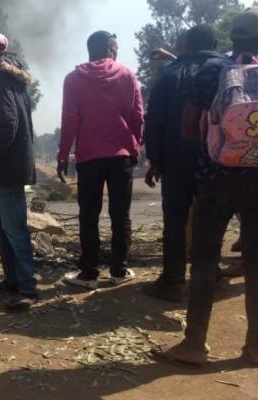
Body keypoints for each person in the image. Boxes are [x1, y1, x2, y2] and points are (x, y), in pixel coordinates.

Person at [153, 7, 258, 366]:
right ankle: (255, 347)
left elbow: (187, 128)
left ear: (234, 35)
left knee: (203, 260)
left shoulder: (214, 71)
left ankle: (194, 344)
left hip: (216, 177)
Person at [58, 31, 145, 290]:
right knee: (120, 215)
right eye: (115, 47)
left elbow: (69, 120)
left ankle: (88, 274)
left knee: (89, 215)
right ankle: (119, 270)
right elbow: (138, 116)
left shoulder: (73, 79)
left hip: (89, 158)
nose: (117, 52)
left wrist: (63, 155)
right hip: (120, 158)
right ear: (108, 48)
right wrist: (135, 146)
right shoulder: (127, 75)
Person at [143, 25, 221, 301]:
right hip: (219, 160)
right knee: (210, 219)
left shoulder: (169, 73)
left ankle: (173, 280)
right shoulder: (228, 69)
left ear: (187, 44)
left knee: (175, 219)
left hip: (176, 159)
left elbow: (154, 122)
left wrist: (154, 160)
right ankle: (210, 278)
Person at [0, 32, 39, 312]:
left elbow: (7, 123)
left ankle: (27, 288)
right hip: (12, 167)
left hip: (6, 169)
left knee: (13, 229)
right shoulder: (13, 77)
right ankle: (13, 280)